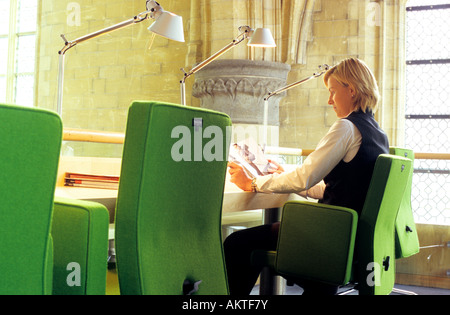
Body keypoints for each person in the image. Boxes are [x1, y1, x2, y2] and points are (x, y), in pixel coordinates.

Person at [224, 58, 389, 295]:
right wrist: (286, 176)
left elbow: (305, 177)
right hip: (349, 235)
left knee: (237, 244)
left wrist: (252, 182)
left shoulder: (346, 127)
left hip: (327, 235)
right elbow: (341, 189)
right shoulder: (378, 133)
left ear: (351, 89)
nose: (329, 100)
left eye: (333, 92)